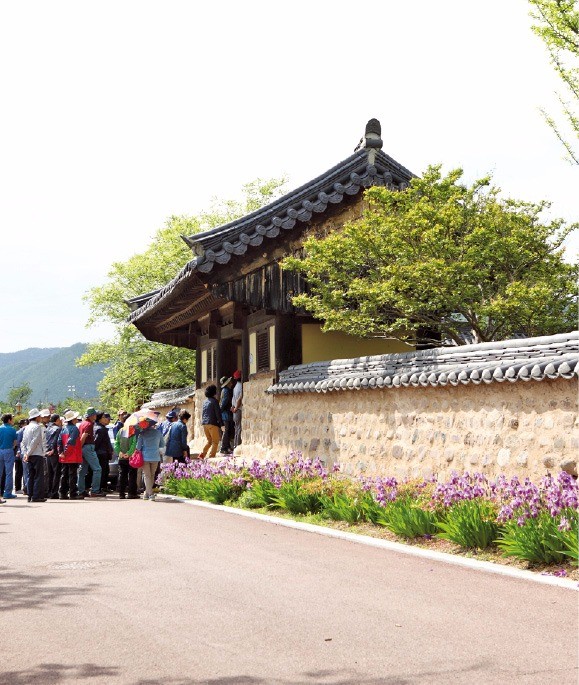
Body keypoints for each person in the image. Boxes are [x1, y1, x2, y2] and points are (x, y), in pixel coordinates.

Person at [77, 407, 106, 498]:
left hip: (83, 448)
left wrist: (79, 449)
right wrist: (80, 447)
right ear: (92, 416)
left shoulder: (82, 423)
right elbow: (84, 436)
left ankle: (81, 490)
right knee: (97, 469)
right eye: (94, 415)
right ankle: (95, 490)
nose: (96, 416)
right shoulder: (89, 424)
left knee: (82, 471)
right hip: (88, 447)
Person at [21, 408, 47, 502]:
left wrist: (25, 453)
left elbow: (23, 442)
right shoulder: (37, 427)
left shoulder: (26, 427)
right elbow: (35, 441)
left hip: (29, 455)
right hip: (36, 453)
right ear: (36, 417)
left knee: (30, 475)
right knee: (38, 476)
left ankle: (30, 495)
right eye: (39, 416)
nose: (40, 418)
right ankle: (36, 496)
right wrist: (28, 453)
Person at [135, 419, 164, 500]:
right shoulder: (158, 433)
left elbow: (138, 447)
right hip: (155, 456)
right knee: (152, 475)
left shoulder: (142, 434)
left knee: (147, 475)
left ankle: (149, 493)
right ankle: (148, 493)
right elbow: (162, 444)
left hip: (145, 456)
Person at [57, 410, 84, 499]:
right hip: (72, 455)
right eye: (75, 418)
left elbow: (59, 441)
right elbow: (71, 442)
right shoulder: (75, 429)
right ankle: (73, 493)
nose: (76, 420)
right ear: (72, 420)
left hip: (64, 456)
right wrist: (66, 452)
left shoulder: (64, 429)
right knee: (72, 475)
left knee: (64, 474)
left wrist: (61, 452)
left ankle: (62, 493)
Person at [199, 385, 223, 459]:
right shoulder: (215, 401)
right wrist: (222, 424)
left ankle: (202, 454)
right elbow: (218, 413)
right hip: (212, 423)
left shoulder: (204, 402)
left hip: (205, 423)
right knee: (215, 441)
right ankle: (211, 457)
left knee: (209, 441)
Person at [114, 429, 139, 499]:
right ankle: (131, 493)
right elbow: (134, 444)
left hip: (122, 457)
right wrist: (129, 453)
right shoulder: (133, 431)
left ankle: (121, 493)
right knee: (132, 475)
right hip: (131, 457)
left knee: (122, 475)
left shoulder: (121, 431)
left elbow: (116, 442)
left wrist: (119, 452)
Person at [45, 413, 63, 499]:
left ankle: (49, 491)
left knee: (50, 473)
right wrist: (54, 450)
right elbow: (56, 440)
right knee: (57, 473)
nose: (60, 421)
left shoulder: (47, 428)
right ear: (56, 420)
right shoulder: (58, 429)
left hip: (47, 452)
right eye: (59, 419)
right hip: (54, 453)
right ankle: (54, 492)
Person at [94, 412, 113, 491]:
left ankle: (103, 486)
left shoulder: (100, 428)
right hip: (101, 453)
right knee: (102, 471)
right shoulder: (100, 429)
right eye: (104, 417)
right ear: (100, 419)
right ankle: (100, 487)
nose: (106, 419)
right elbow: (97, 441)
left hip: (103, 452)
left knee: (105, 471)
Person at [0, 413, 18, 500]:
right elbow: (15, 443)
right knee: (9, 473)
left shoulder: (0, 428)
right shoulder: (12, 430)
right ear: (9, 420)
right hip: (8, 450)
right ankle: (7, 493)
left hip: (0, 450)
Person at [219, 376, 234, 455]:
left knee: (226, 430)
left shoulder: (224, 390)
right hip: (225, 414)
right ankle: (223, 447)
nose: (231, 383)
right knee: (226, 430)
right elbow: (224, 402)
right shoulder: (226, 391)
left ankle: (227, 446)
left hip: (224, 413)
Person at [14, 418, 27, 493]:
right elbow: (18, 443)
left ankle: (20, 488)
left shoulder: (18, 432)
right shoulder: (21, 432)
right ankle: (19, 488)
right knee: (20, 471)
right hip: (19, 454)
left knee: (19, 471)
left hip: (18, 454)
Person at [231, 369, 243, 450]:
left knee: (236, 428)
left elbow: (234, 399)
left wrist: (233, 407)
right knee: (239, 428)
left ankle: (235, 445)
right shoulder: (241, 386)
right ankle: (237, 446)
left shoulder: (235, 387)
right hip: (238, 409)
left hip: (234, 409)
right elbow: (239, 399)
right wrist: (236, 408)